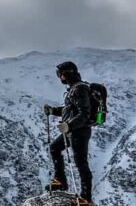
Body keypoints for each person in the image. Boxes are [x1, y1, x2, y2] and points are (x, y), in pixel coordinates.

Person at [43, 61, 93, 206]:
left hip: (79, 131)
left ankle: (85, 198)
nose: (59, 78)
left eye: (60, 74)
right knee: (54, 148)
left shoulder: (79, 89)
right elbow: (69, 110)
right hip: (72, 130)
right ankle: (60, 181)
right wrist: (53, 111)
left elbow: (84, 113)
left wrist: (68, 125)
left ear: (67, 73)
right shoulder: (73, 89)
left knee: (80, 162)